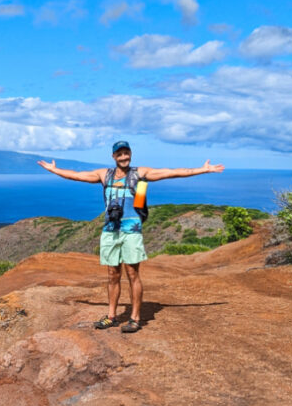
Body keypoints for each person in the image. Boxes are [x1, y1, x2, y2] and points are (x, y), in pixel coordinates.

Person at [37, 140, 224, 333]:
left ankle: (135, 318)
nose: (124, 157)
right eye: (120, 154)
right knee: (112, 275)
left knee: (133, 274)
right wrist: (54, 170)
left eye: (126, 153)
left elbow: (170, 172)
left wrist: (202, 170)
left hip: (131, 230)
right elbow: (77, 175)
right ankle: (112, 316)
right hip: (110, 230)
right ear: (114, 157)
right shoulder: (104, 175)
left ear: (130, 154)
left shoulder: (140, 173)